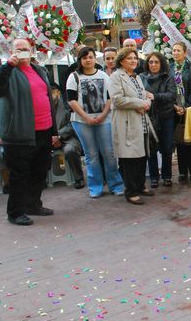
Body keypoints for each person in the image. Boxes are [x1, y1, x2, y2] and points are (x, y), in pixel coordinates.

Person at [0, 39, 58, 226]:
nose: (23, 52)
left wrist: (54, 131)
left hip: (43, 131)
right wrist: (8, 65)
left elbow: (48, 100)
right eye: (19, 50)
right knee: (19, 175)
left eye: (26, 49)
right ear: (11, 51)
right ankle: (15, 212)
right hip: (19, 133)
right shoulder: (7, 72)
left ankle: (33, 204)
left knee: (39, 172)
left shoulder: (39, 70)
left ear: (32, 50)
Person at [66, 47, 124, 198]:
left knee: (109, 153)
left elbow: (110, 98)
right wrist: (87, 118)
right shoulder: (74, 77)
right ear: (80, 60)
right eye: (84, 58)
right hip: (81, 121)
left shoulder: (104, 76)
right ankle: (95, 187)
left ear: (95, 59)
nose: (88, 60)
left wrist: (103, 115)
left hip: (104, 119)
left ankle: (116, 185)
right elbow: (72, 100)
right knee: (91, 155)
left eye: (90, 57)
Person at [108, 47, 155, 205]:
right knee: (129, 159)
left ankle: (140, 185)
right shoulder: (116, 77)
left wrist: (146, 100)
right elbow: (117, 100)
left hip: (139, 122)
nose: (133, 61)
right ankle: (131, 191)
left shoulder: (136, 77)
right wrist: (142, 102)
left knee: (141, 157)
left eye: (135, 58)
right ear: (121, 61)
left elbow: (142, 95)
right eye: (129, 58)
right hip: (126, 123)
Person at [140, 51, 176, 188]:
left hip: (166, 116)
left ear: (161, 64)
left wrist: (155, 96)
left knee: (167, 148)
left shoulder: (168, 77)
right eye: (150, 62)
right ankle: (154, 177)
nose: (153, 65)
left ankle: (167, 176)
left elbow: (171, 95)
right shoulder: (141, 77)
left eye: (156, 62)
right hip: (149, 117)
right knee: (151, 149)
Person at [170, 42, 191, 183]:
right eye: (173, 50)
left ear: (184, 52)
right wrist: (176, 107)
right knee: (179, 140)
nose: (175, 53)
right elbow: (168, 89)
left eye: (178, 50)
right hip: (175, 110)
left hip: (189, 109)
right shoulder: (169, 69)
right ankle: (182, 171)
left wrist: (186, 106)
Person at [49, 83, 85, 190]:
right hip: (48, 139)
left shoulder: (67, 105)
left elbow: (73, 123)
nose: (50, 95)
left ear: (58, 92)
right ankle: (40, 180)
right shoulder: (42, 106)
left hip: (67, 138)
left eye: (52, 92)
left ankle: (78, 178)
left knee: (70, 150)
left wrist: (59, 136)